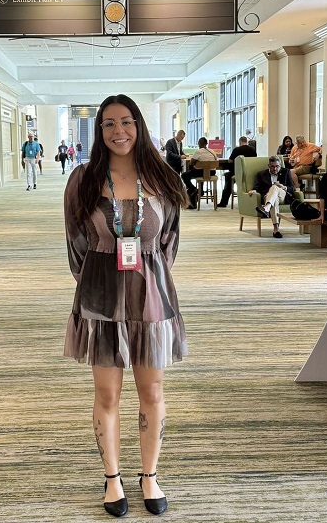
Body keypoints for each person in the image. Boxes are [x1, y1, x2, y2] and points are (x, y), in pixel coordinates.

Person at [63, 94, 187, 518]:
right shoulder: (83, 179)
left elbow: (168, 243)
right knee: (107, 392)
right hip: (100, 300)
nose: (119, 132)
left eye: (127, 122)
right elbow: (76, 247)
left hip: (150, 299)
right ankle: (112, 477)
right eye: (109, 124)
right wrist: (101, 283)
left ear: (140, 126)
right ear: (99, 131)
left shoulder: (164, 178)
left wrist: (145, 280)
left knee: (151, 390)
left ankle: (149, 474)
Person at [251, 156, 295, 238]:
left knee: (275, 187)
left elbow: (292, 188)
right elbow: (257, 187)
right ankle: (276, 230)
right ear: (269, 165)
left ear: (280, 165)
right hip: (268, 196)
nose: (275, 169)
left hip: (283, 196)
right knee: (274, 201)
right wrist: (254, 190)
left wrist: (283, 187)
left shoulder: (286, 172)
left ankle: (266, 208)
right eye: (272, 166)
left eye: (277, 166)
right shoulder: (261, 174)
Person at [217, 136, 257, 208]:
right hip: (249, 173)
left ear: (240, 142)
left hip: (237, 173)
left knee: (228, 177)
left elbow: (230, 161)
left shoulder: (237, 150)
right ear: (247, 142)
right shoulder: (253, 149)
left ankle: (224, 202)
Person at [181, 136, 218, 209]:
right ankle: (200, 190)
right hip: (212, 172)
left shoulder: (198, 152)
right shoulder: (212, 151)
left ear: (199, 144)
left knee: (184, 175)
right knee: (196, 172)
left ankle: (193, 189)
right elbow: (216, 160)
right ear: (206, 144)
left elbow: (191, 163)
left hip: (200, 172)